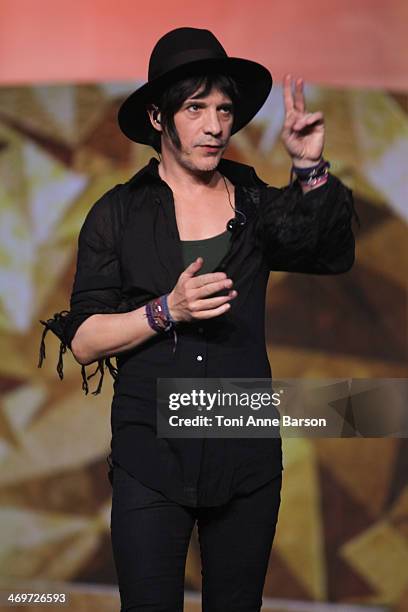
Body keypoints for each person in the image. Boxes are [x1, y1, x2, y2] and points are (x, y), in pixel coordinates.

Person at [38, 27, 357, 612]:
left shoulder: (255, 201)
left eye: (224, 109)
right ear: (159, 118)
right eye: (195, 109)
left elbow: (329, 252)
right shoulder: (118, 213)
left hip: (246, 453)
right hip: (150, 459)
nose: (214, 125)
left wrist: (310, 169)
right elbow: (83, 341)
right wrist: (167, 311)